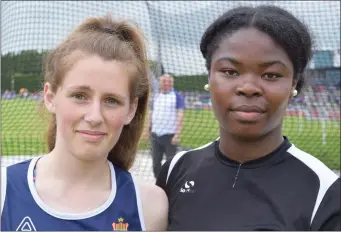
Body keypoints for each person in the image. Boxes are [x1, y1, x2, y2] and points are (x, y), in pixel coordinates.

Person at [156, 5, 340, 231]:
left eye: (271, 75)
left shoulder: (325, 192)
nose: (248, 88)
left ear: (293, 85)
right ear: (209, 78)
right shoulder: (176, 170)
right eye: (230, 71)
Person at [1, 15, 168, 231]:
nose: (95, 116)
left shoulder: (149, 206)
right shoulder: (5, 191)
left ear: (131, 109)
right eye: (80, 96)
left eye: (111, 100)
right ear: (50, 97)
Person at [149, 74, 185, 179]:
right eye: (163, 81)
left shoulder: (177, 96)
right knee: (155, 163)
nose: (165, 84)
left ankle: (170, 183)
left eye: (167, 81)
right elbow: (151, 114)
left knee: (171, 163)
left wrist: (177, 134)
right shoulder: (155, 96)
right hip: (155, 135)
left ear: (171, 83)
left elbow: (180, 115)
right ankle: (159, 181)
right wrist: (148, 130)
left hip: (170, 136)